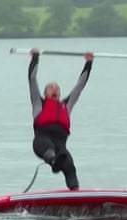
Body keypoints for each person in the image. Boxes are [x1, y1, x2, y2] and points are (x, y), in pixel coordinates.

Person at [28, 48, 94, 190]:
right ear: (45, 93)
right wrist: (35, 58)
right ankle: (53, 161)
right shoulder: (39, 103)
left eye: (57, 88)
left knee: (70, 167)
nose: (55, 90)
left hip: (61, 146)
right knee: (51, 149)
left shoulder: (66, 105)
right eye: (51, 88)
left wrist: (89, 63)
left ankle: (76, 194)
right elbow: (32, 80)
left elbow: (80, 86)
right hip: (42, 143)